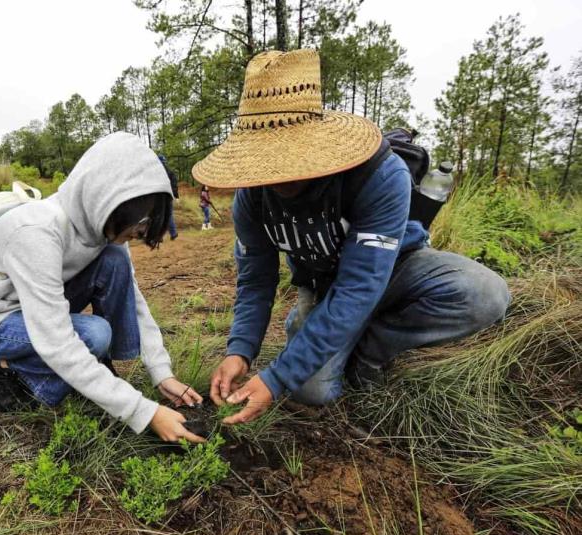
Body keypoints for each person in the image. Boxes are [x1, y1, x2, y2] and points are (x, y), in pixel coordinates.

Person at [192, 49, 511, 425]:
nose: (277, 178)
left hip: (397, 267)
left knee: (484, 294)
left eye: (288, 160)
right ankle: (324, 326)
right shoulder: (252, 200)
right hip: (324, 282)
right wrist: (240, 352)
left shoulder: (377, 175)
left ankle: (371, 347)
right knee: (311, 390)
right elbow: (255, 280)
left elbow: (362, 285)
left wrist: (276, 376)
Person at [0, 132, 204, 443]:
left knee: (115, 263)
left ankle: (98, 371)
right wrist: (143, 412)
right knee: (94, 334)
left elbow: (134, 301)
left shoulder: (105, 232)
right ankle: (3, 374)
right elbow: (57, 339)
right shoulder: (35, 232)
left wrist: (162, 373)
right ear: (108, 198)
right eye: (141, 222)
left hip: (38, 306)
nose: (141, 231)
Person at [158, 154, 179, 240]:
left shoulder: (156, 173)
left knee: (159, 215)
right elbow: (174, 185)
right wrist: (176, 196)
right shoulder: (170, 172)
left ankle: (159, 236)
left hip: (159, 197)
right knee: (169, 215)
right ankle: (173, 233)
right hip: (168, 196)